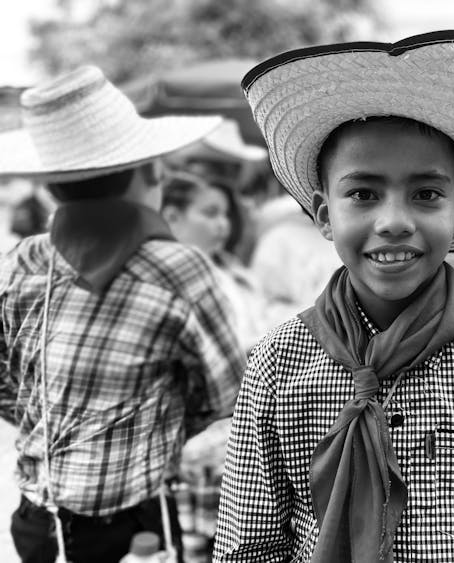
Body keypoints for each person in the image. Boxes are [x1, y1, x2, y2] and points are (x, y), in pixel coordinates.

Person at [214, 30, 454, 562]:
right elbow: (250, 547)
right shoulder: (276, 362)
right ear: (323, 215)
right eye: (363, 194)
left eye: (426, 194)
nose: (394, 222)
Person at [0, 66, 246, 563]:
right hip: (131, 527)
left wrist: (61, 426)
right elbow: (226, 393)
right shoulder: (177, 268)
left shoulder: (21, 259)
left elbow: (5, 385)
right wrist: (147, 428)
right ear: (150, 173)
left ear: (52, 187)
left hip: (35, 521)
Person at [161, 171, 267, 352]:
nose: (223, 224)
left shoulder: (232, 270)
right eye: (211, 214)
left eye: (225, 215)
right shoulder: (168, 279)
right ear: (172, 217)